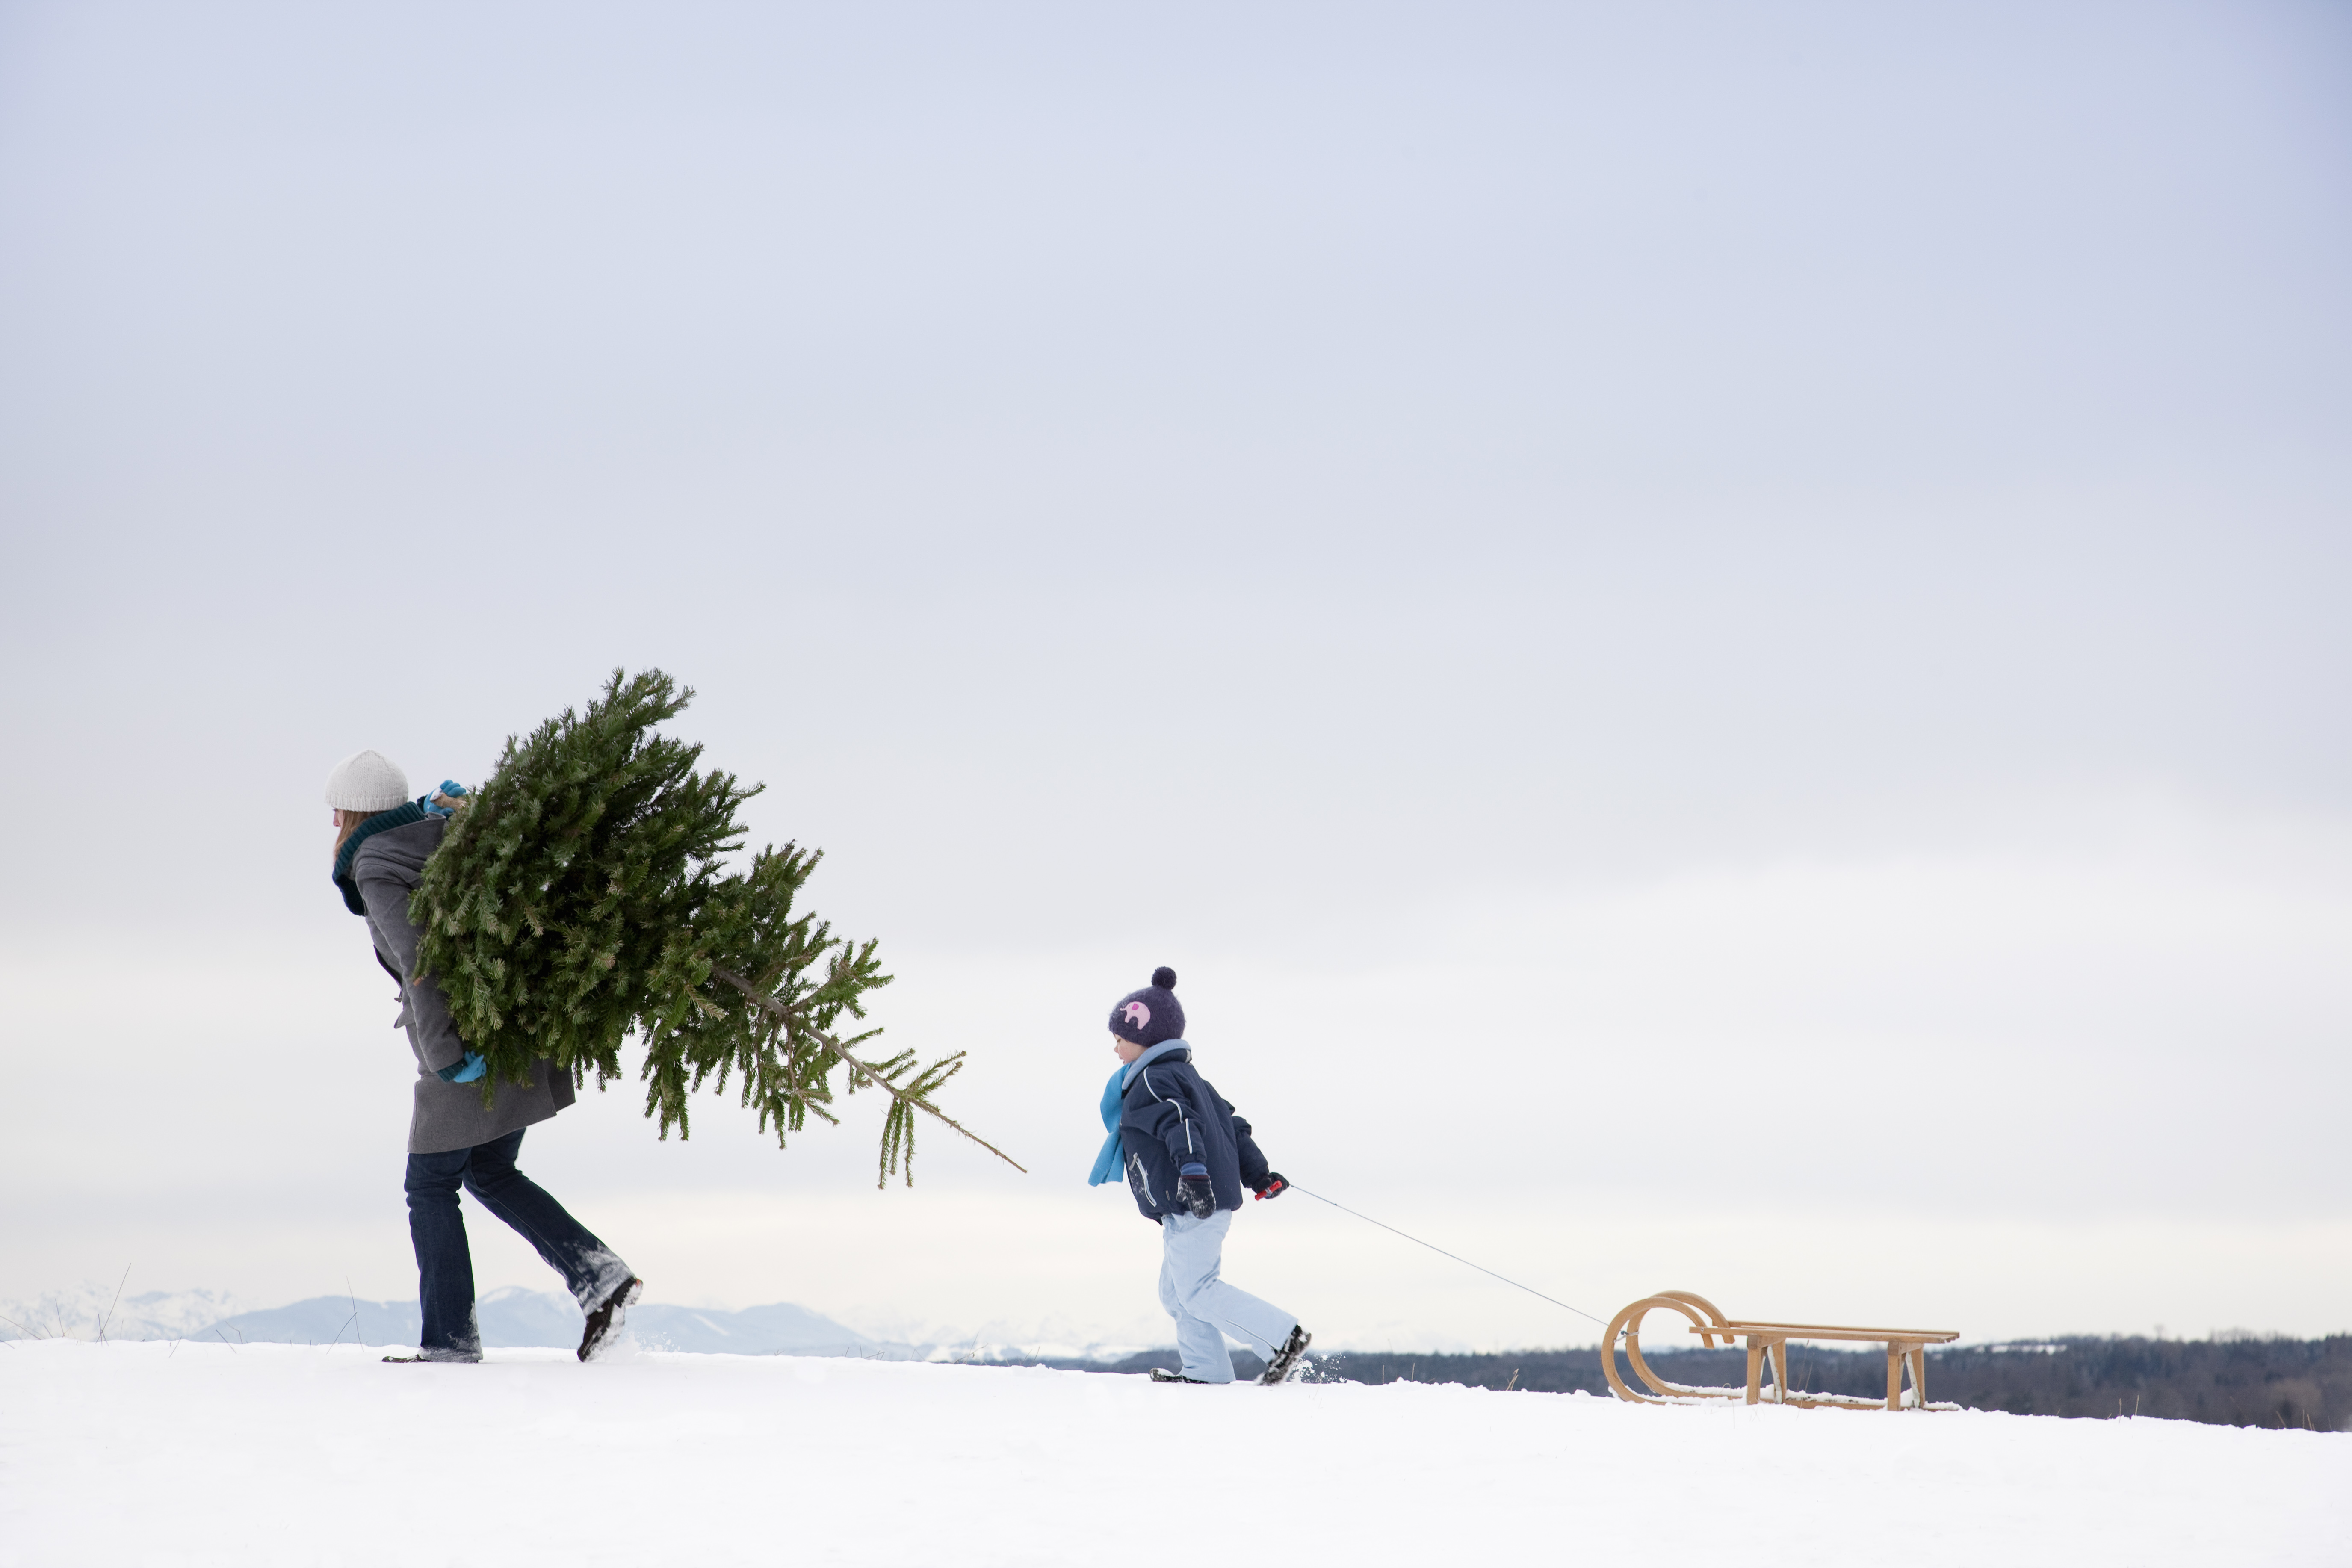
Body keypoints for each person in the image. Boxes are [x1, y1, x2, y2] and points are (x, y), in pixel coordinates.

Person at [325, 747, 642, 1364]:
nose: (333, 823)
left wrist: (445, 1054)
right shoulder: (439, 832)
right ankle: (600, 1277)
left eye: (338, 811)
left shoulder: (374, 863)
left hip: (466, 1035)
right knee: (489, 1170)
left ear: (355, 813)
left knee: (429, 1185)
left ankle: (450, 1340)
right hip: (518, 1020)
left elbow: (421, 962)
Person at [1087, 966, 1311, 1385]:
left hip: (1194, 1199)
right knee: (1176, 1293)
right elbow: (1231, 1127)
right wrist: (1259, 1175)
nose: (1115, 1048)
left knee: (1196, 1290)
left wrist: (1193, 1175)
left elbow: (1181, 1124)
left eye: (1120, 1038)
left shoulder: (1152, 1081)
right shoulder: (1190, 1079)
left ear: (1145, 1036)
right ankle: (1206, 1369)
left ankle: (1282, 1338)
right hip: (1191, 1202)